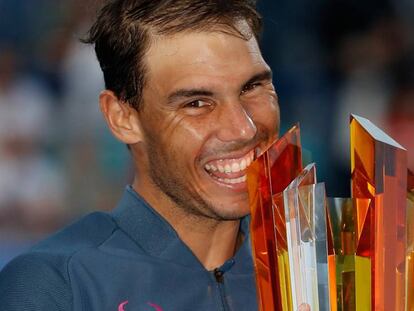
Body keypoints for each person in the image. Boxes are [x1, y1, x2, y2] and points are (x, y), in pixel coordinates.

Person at [0, 0, 283, 310]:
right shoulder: (56, 287)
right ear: (122, 118)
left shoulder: (315, 264)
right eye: (196, 103)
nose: (243, 129)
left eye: (252, 86)